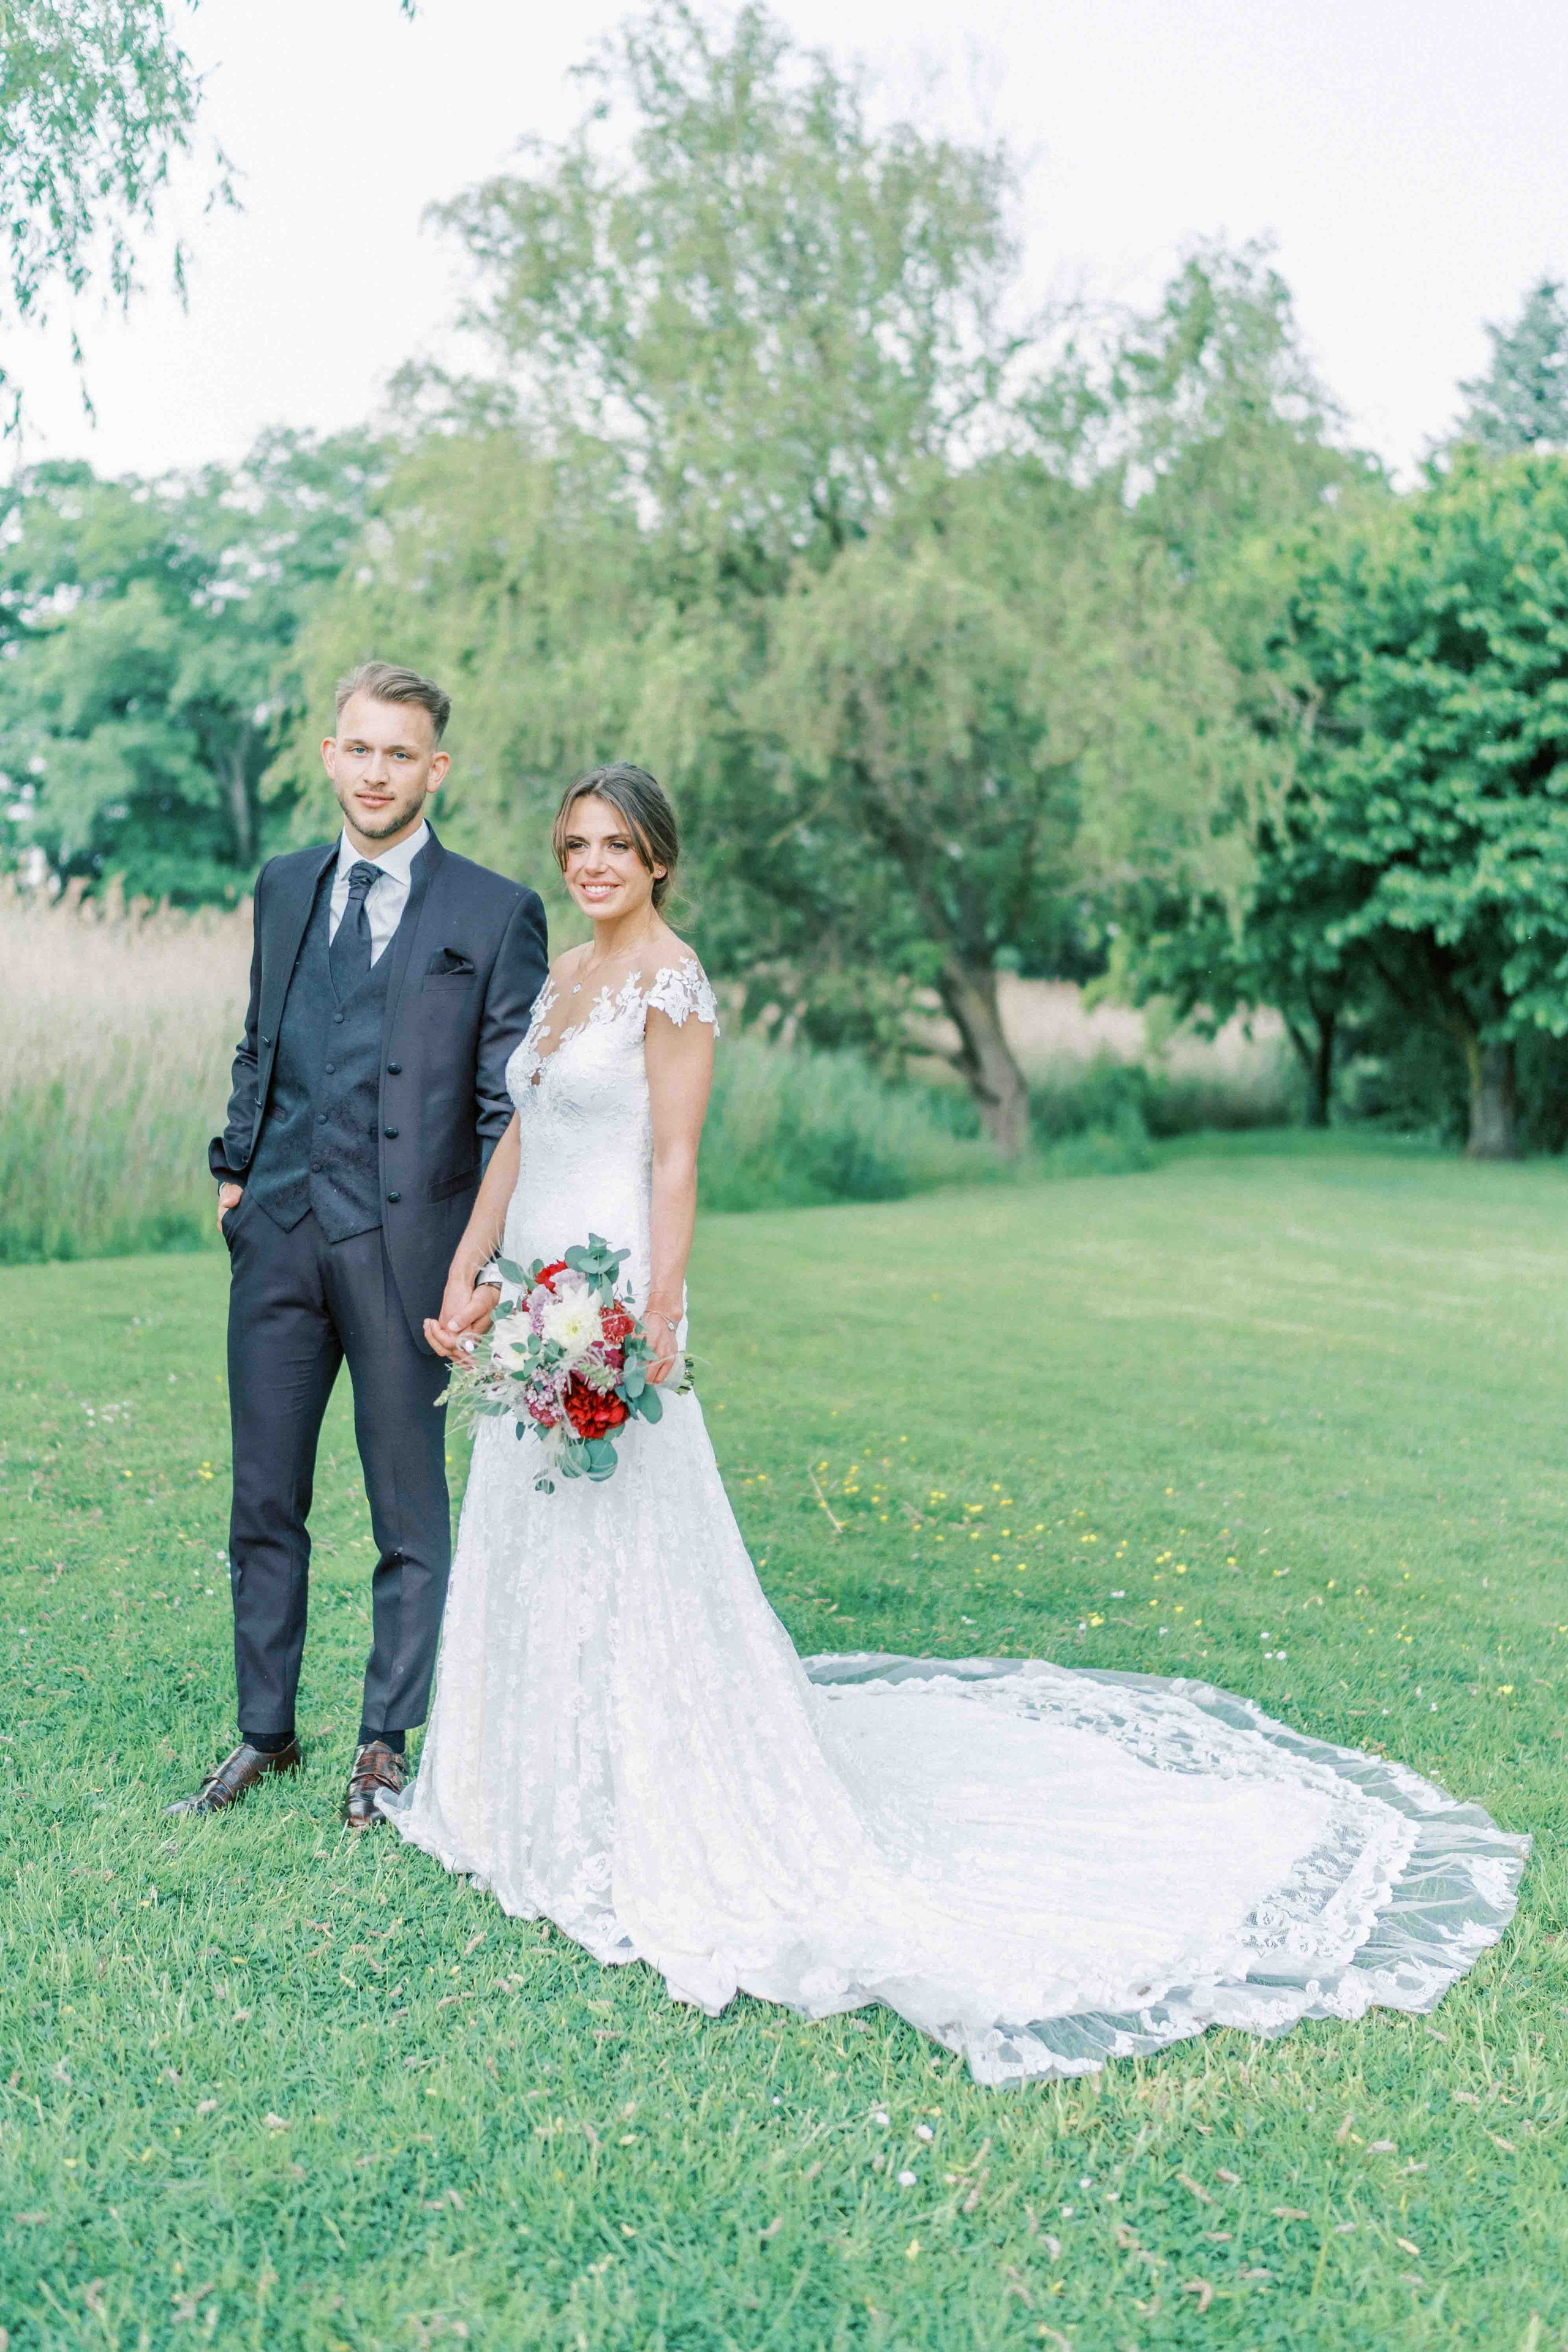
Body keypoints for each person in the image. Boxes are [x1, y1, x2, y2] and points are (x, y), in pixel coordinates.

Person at [385, 762, 1526, 2084]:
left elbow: (674, 1160)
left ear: (659, 863)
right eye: (575, 844)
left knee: (629, 1538)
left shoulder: (671, 985)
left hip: (610, 1293)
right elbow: (516, 1140)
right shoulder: (562, 978)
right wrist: (471, 1273)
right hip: (529, 1288)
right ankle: (522, 1790)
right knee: (530, 1523)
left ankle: (645, 1802)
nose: (591, 864)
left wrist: (651, 1314)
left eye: (616, 847)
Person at [170, 662, 548, 1827]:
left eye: (402, 754)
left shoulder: (495, 912)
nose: (377, 771)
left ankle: (384, 1741)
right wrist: (236, 1172)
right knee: (263, 1501)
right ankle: (263, 1733)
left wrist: (478, 1266)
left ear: (435, 769)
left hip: (410, 1257)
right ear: (330, 756)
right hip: (277, 1237)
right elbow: (260, 1040)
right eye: (360, 748)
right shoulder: (284, 886)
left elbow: (507, 1109)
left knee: (407, 1515)